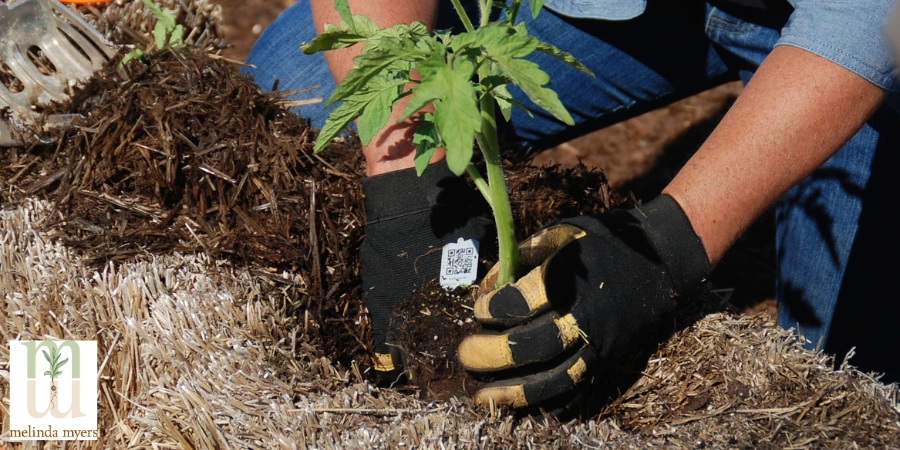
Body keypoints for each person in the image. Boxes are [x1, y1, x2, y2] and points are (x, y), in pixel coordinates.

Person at [244, 0, 900, 410]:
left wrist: (665, 246)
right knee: (297, 83)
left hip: (853, 27)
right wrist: (405, 178)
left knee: (846, 377)